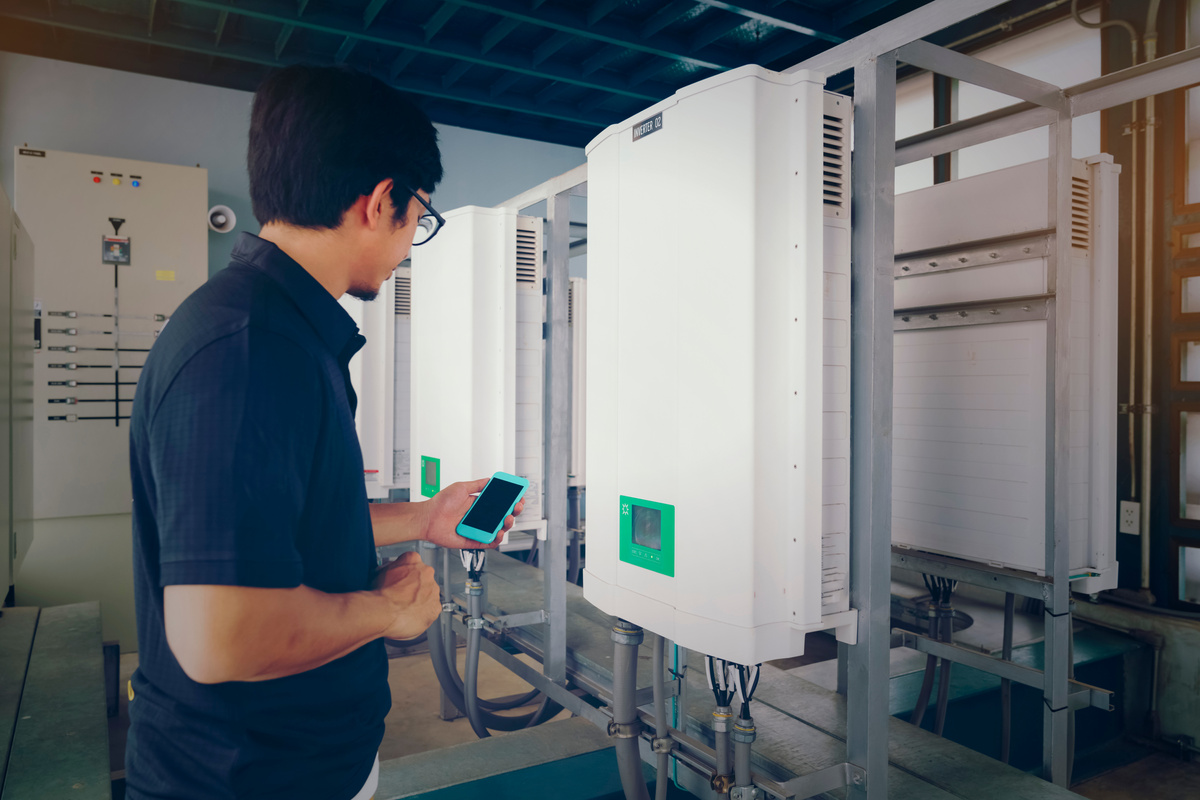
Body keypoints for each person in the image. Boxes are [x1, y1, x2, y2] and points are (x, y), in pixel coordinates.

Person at [125, 65, 514, 800]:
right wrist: (391, 612)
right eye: (418, 218)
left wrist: (426, 519)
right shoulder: (248, 350)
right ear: (379, 203)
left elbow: (285, 526)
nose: (409, 245)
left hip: (296, 764)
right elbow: (222, 635)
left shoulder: (282, 334)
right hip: (247, 778)